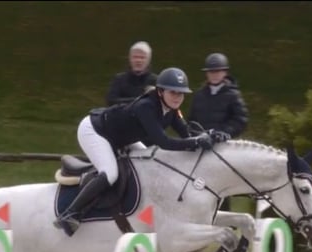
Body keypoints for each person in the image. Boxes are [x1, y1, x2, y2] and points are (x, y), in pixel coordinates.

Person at [54, 67, 227, 237]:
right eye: (173, 92)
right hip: (95, 131)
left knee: (152, 162)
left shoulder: (172, 110)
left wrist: (211, 135)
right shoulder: (146, 107)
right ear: (160, 91)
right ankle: (70, 214)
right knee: (110, 174)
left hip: (122, 136)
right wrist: (197, 142)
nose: (177, 97)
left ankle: (148, 212)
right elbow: (163, 142)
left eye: (181, 93)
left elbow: (187, 134)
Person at [188, 53, 249, 210]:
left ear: (225, 73)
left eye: (218, 71)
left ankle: (224, 218)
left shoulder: (233, 95)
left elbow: (241, 119)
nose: (214, 75)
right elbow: (191, 120)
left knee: (220, 185)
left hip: (222, 147)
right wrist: (195, 135)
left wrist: (225, 132)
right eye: (211, 72)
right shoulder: (199, 95)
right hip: (201, 146)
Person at [106, 41, 157, 106]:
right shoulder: (119, 79)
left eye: (142, 57)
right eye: (135, 57)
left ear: (148, 60)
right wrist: (142, 99)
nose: (138, 60)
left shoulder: (156, 81)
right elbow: (110, 101)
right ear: (130, 58)